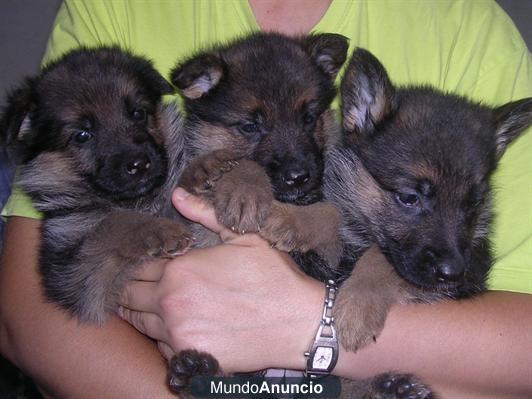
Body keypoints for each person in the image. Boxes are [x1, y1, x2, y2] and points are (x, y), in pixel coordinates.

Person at [0, 0, 530, 398]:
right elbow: (30, 318)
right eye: (251, 125)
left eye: (307, 117)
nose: (296, 158)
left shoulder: (464, 24)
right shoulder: (114, 9)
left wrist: (305, 325)